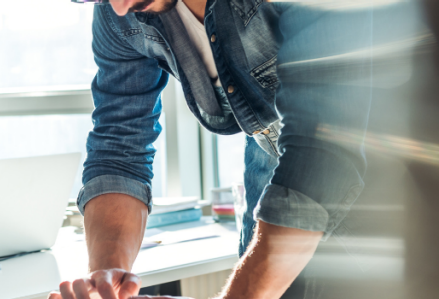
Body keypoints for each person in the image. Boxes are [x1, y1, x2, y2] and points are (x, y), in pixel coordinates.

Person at [50, 0, 376, 298]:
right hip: (272, 179)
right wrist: (109, 275)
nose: (119, 8)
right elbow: (118, 147)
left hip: (389, 194)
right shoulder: (116, 13)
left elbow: (321, 146)